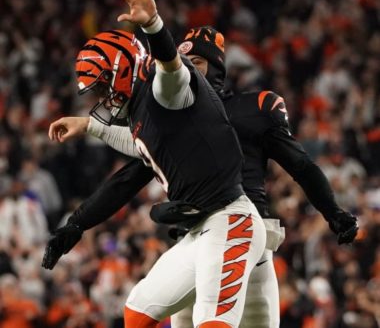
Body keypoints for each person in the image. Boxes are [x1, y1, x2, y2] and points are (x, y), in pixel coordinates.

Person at [43, 25, 358, 328]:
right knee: (140, 309)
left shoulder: (244, 106)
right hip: (195, 233)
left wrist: (333, 211)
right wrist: (77, 221)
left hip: (239, 227)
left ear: (217, 66)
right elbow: (128, 174)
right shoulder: (164, 117)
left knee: (213, 320)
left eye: (197, 63)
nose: (189, 68)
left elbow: (301, 166)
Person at [43, 0, 267, 328]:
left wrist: (153, 24)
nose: (103, 97)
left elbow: (172, 69)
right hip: (201, 228)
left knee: (212, 322)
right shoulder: (145, 112)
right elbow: (141, 147)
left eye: (103, 85)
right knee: (138, 311)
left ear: (121, 70)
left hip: (231, 220)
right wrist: (89, 126)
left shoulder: (162, 88)